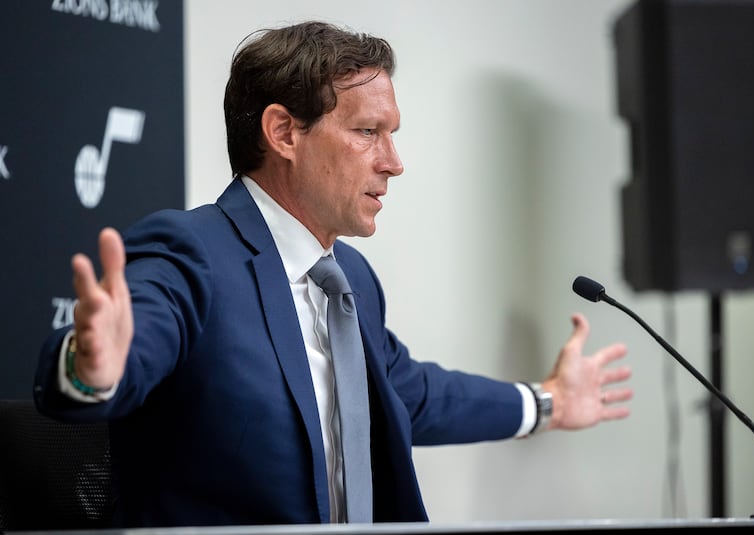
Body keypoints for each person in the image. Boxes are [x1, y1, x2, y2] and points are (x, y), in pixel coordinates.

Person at [34, 21, 633, 528]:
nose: (393, 163)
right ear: (283, 132)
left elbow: (407, 393)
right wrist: (93, 371)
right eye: (367, 132)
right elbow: (124, 355)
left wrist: (549, 402)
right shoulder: (192, 252)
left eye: (392, 135)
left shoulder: (349, 278)